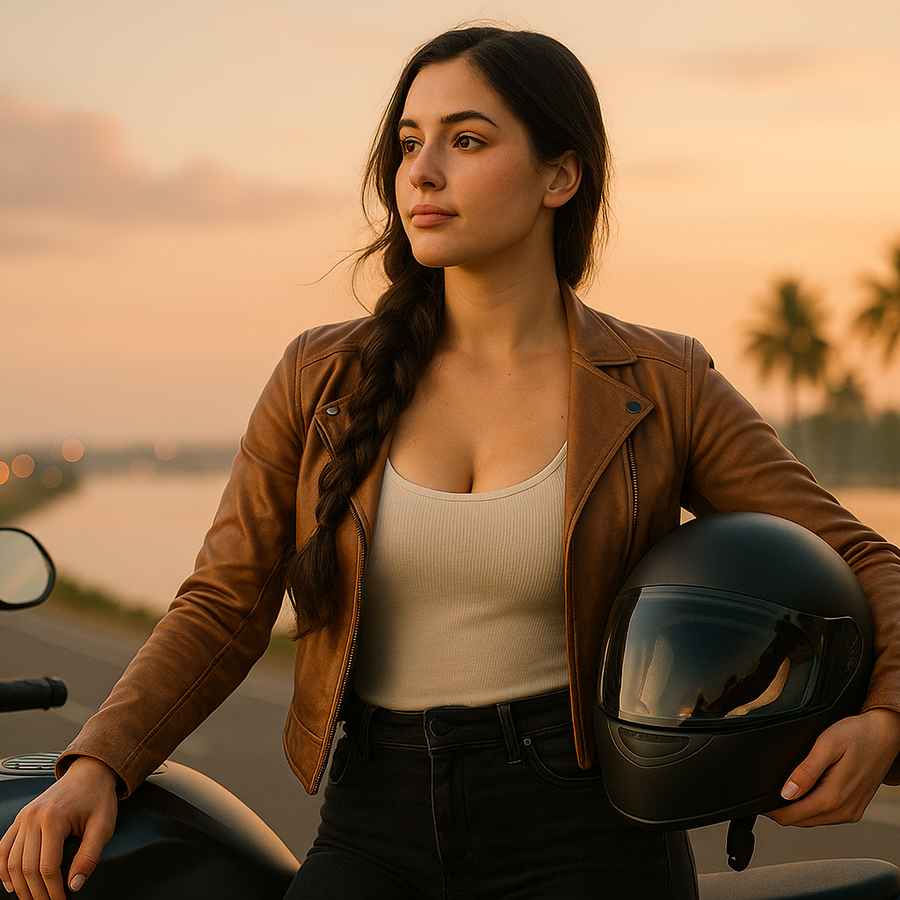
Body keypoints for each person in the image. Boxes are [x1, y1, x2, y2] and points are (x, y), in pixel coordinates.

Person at [3, 24, 900, 900]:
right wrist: (101, 762)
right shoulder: (319, 375)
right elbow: (224, 603)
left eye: (466, 140)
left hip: (588, 830)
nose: (421, 172)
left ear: (561, 174)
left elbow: (866, 559)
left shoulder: (665, 382)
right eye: (408, 143)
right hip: (374, 821)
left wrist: (885, 718)